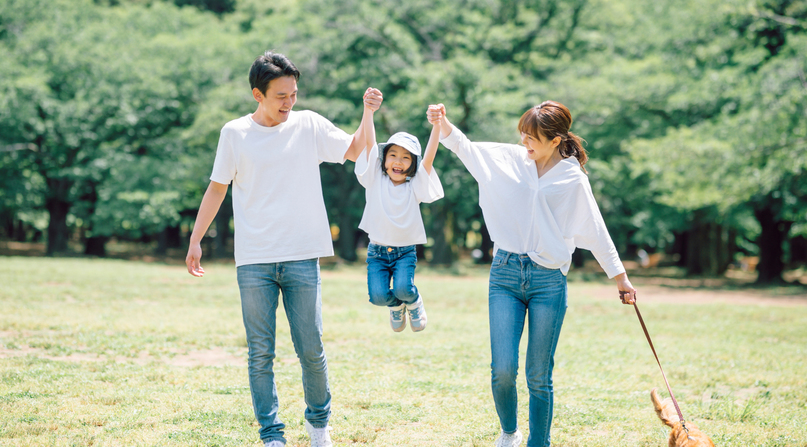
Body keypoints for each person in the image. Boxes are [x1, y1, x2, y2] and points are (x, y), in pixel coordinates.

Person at [185, 51, 383, 447]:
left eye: (293, 93)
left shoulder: (308, 124)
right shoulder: (234, 133)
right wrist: (195, 239)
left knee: (311, 348)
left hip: (301, 256)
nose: (289, 103)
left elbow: (358, 149)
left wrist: (368, 113)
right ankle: (272, 435)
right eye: (280, 96)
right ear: (257, 94)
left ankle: (319, 425)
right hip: (255, 260)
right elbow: (217, 187)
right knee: (261, 355)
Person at [426, 101, 637, 447]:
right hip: (505, 275)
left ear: (556, 141)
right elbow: (465, 147)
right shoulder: (508, 159)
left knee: (539, 375)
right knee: (503, 369)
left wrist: (620, 277)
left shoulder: (572, 178)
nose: (525, 143)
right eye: (523, 135)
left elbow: (596, 229)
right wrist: (443, 122)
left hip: (548, 281)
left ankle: (539, 443)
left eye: (533, 138)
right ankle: (509, 432)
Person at [354, 102, 444, 332]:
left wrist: (437, 125)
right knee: (377, 296)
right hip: (377, 252)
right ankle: (396, 307)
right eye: (392, 154)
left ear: (413, 164)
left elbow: (430, 157)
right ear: (383, 159)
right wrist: (368, 110)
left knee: (404, 288)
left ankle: (413, 302)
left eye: (405, 157)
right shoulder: (375, 179)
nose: (397, 161)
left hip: (404, 252)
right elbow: (369, 142)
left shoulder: (414, 185)